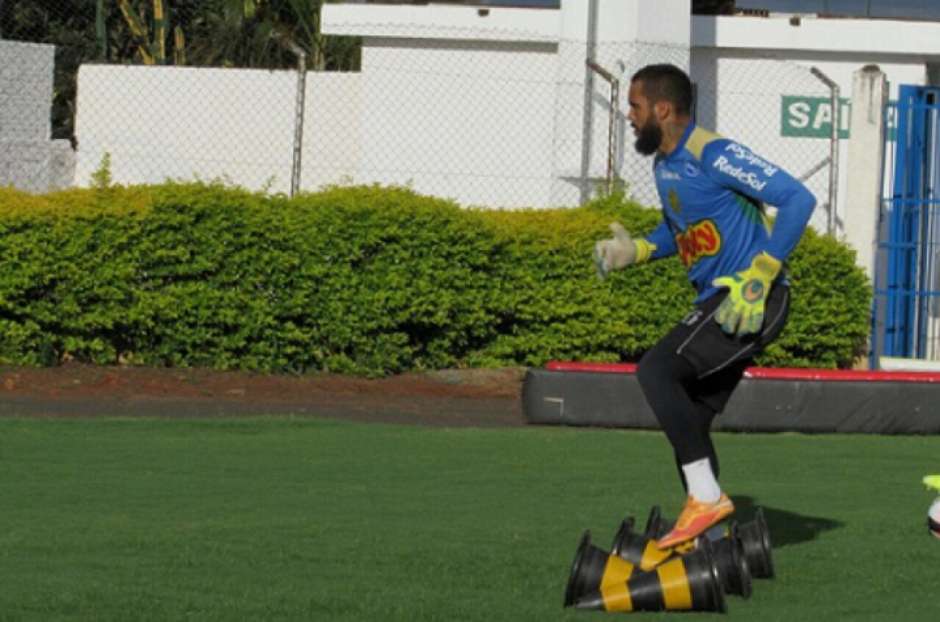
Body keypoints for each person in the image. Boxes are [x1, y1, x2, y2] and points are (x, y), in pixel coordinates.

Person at [593, 63, 815, 549]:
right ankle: (712, 540)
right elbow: (680, 231)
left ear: (662, 109)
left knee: (656, 370)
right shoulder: (664, 165)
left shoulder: (714, 153)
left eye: (634, 105)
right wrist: (638, 250)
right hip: (722, 300)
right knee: (688, 418)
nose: (629, 115)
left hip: (750, 299)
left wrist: (762, 272)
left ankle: (707, 499)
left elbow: (798, 199)